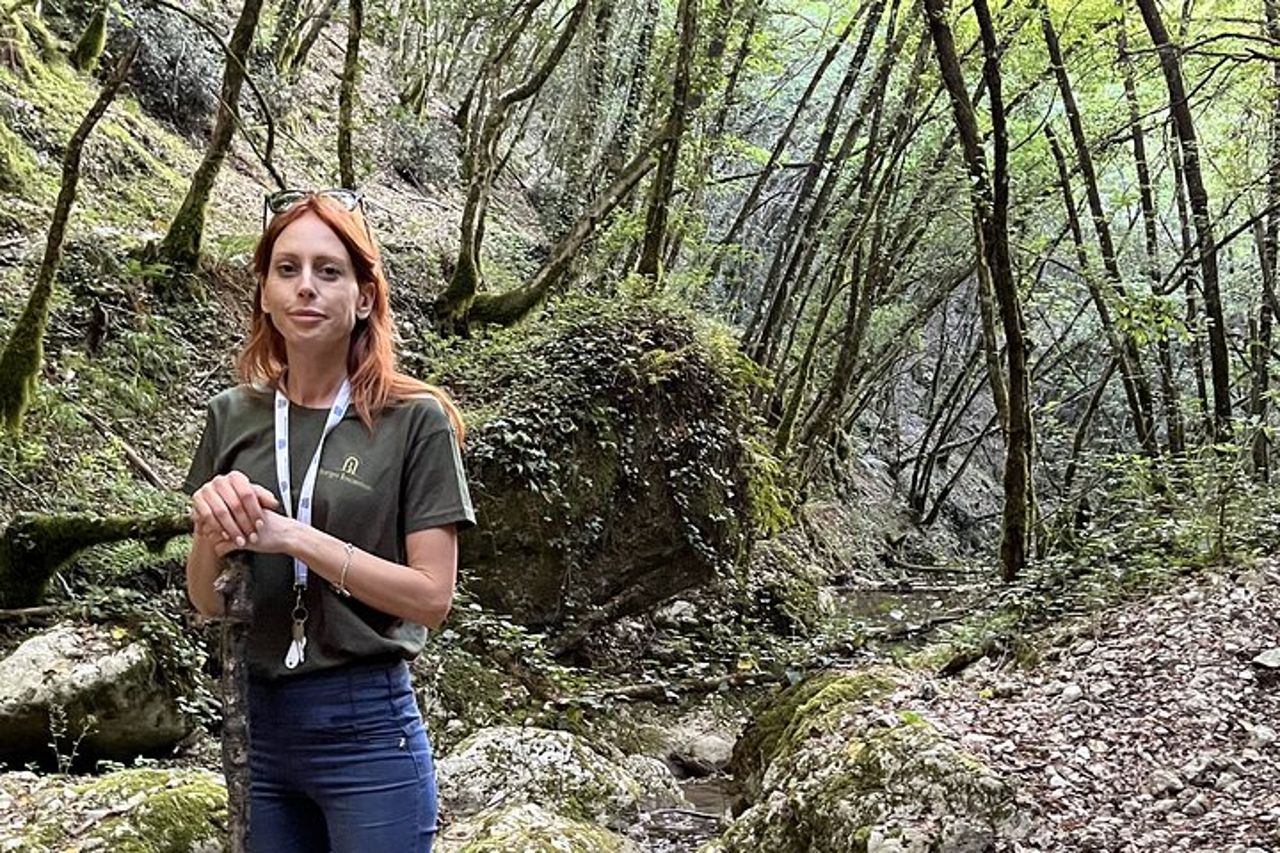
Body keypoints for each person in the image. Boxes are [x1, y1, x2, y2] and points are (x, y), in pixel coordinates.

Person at [184, 189, 474, 853]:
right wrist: (209, 530)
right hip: (259, 726)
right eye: (287, 269)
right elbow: (207, 601)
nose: (306, 287)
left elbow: (432, 598)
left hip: (367, 728)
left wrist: (294, 536)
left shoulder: (414, 421)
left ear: (364, 297)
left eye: (329, 270)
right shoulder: (232, 415)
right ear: (264, 293)